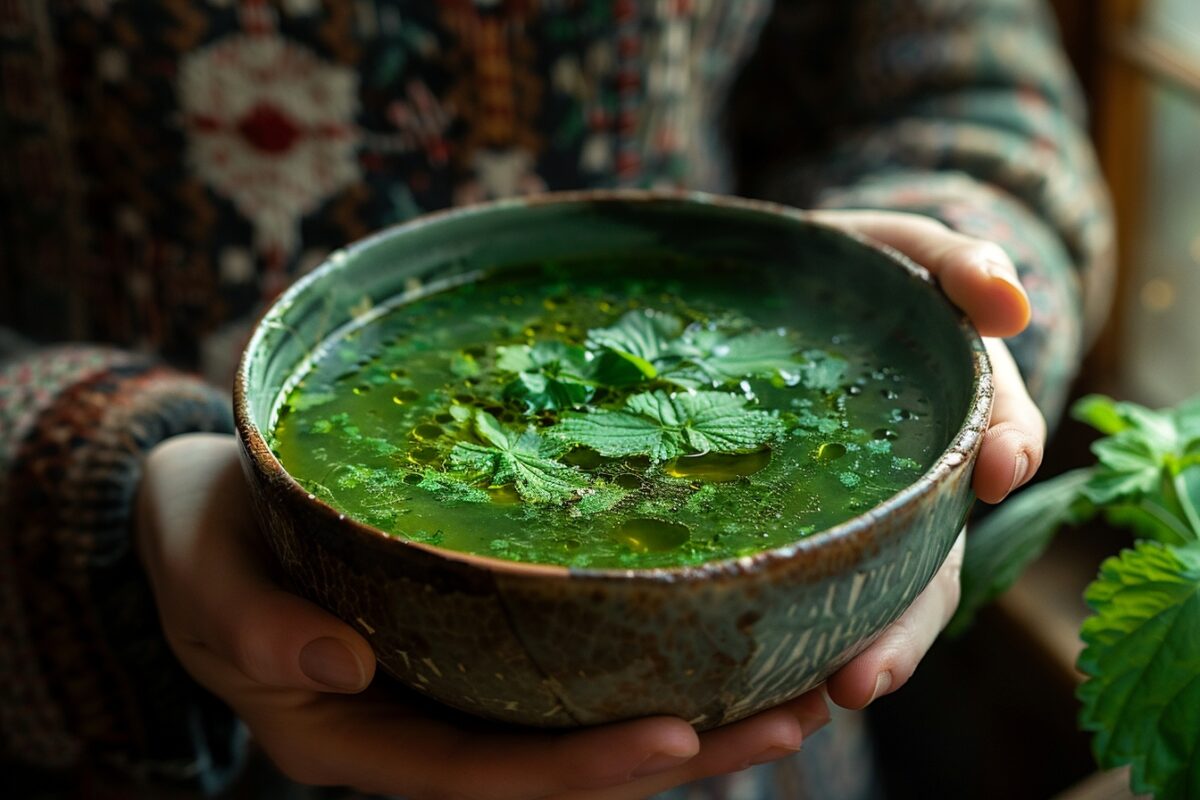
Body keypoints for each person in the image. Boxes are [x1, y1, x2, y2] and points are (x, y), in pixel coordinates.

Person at [0, 1, 1112, 798]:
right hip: (166, 712)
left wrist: (947, 302)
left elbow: (970, 98)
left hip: (763, 716)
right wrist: (96, 468)